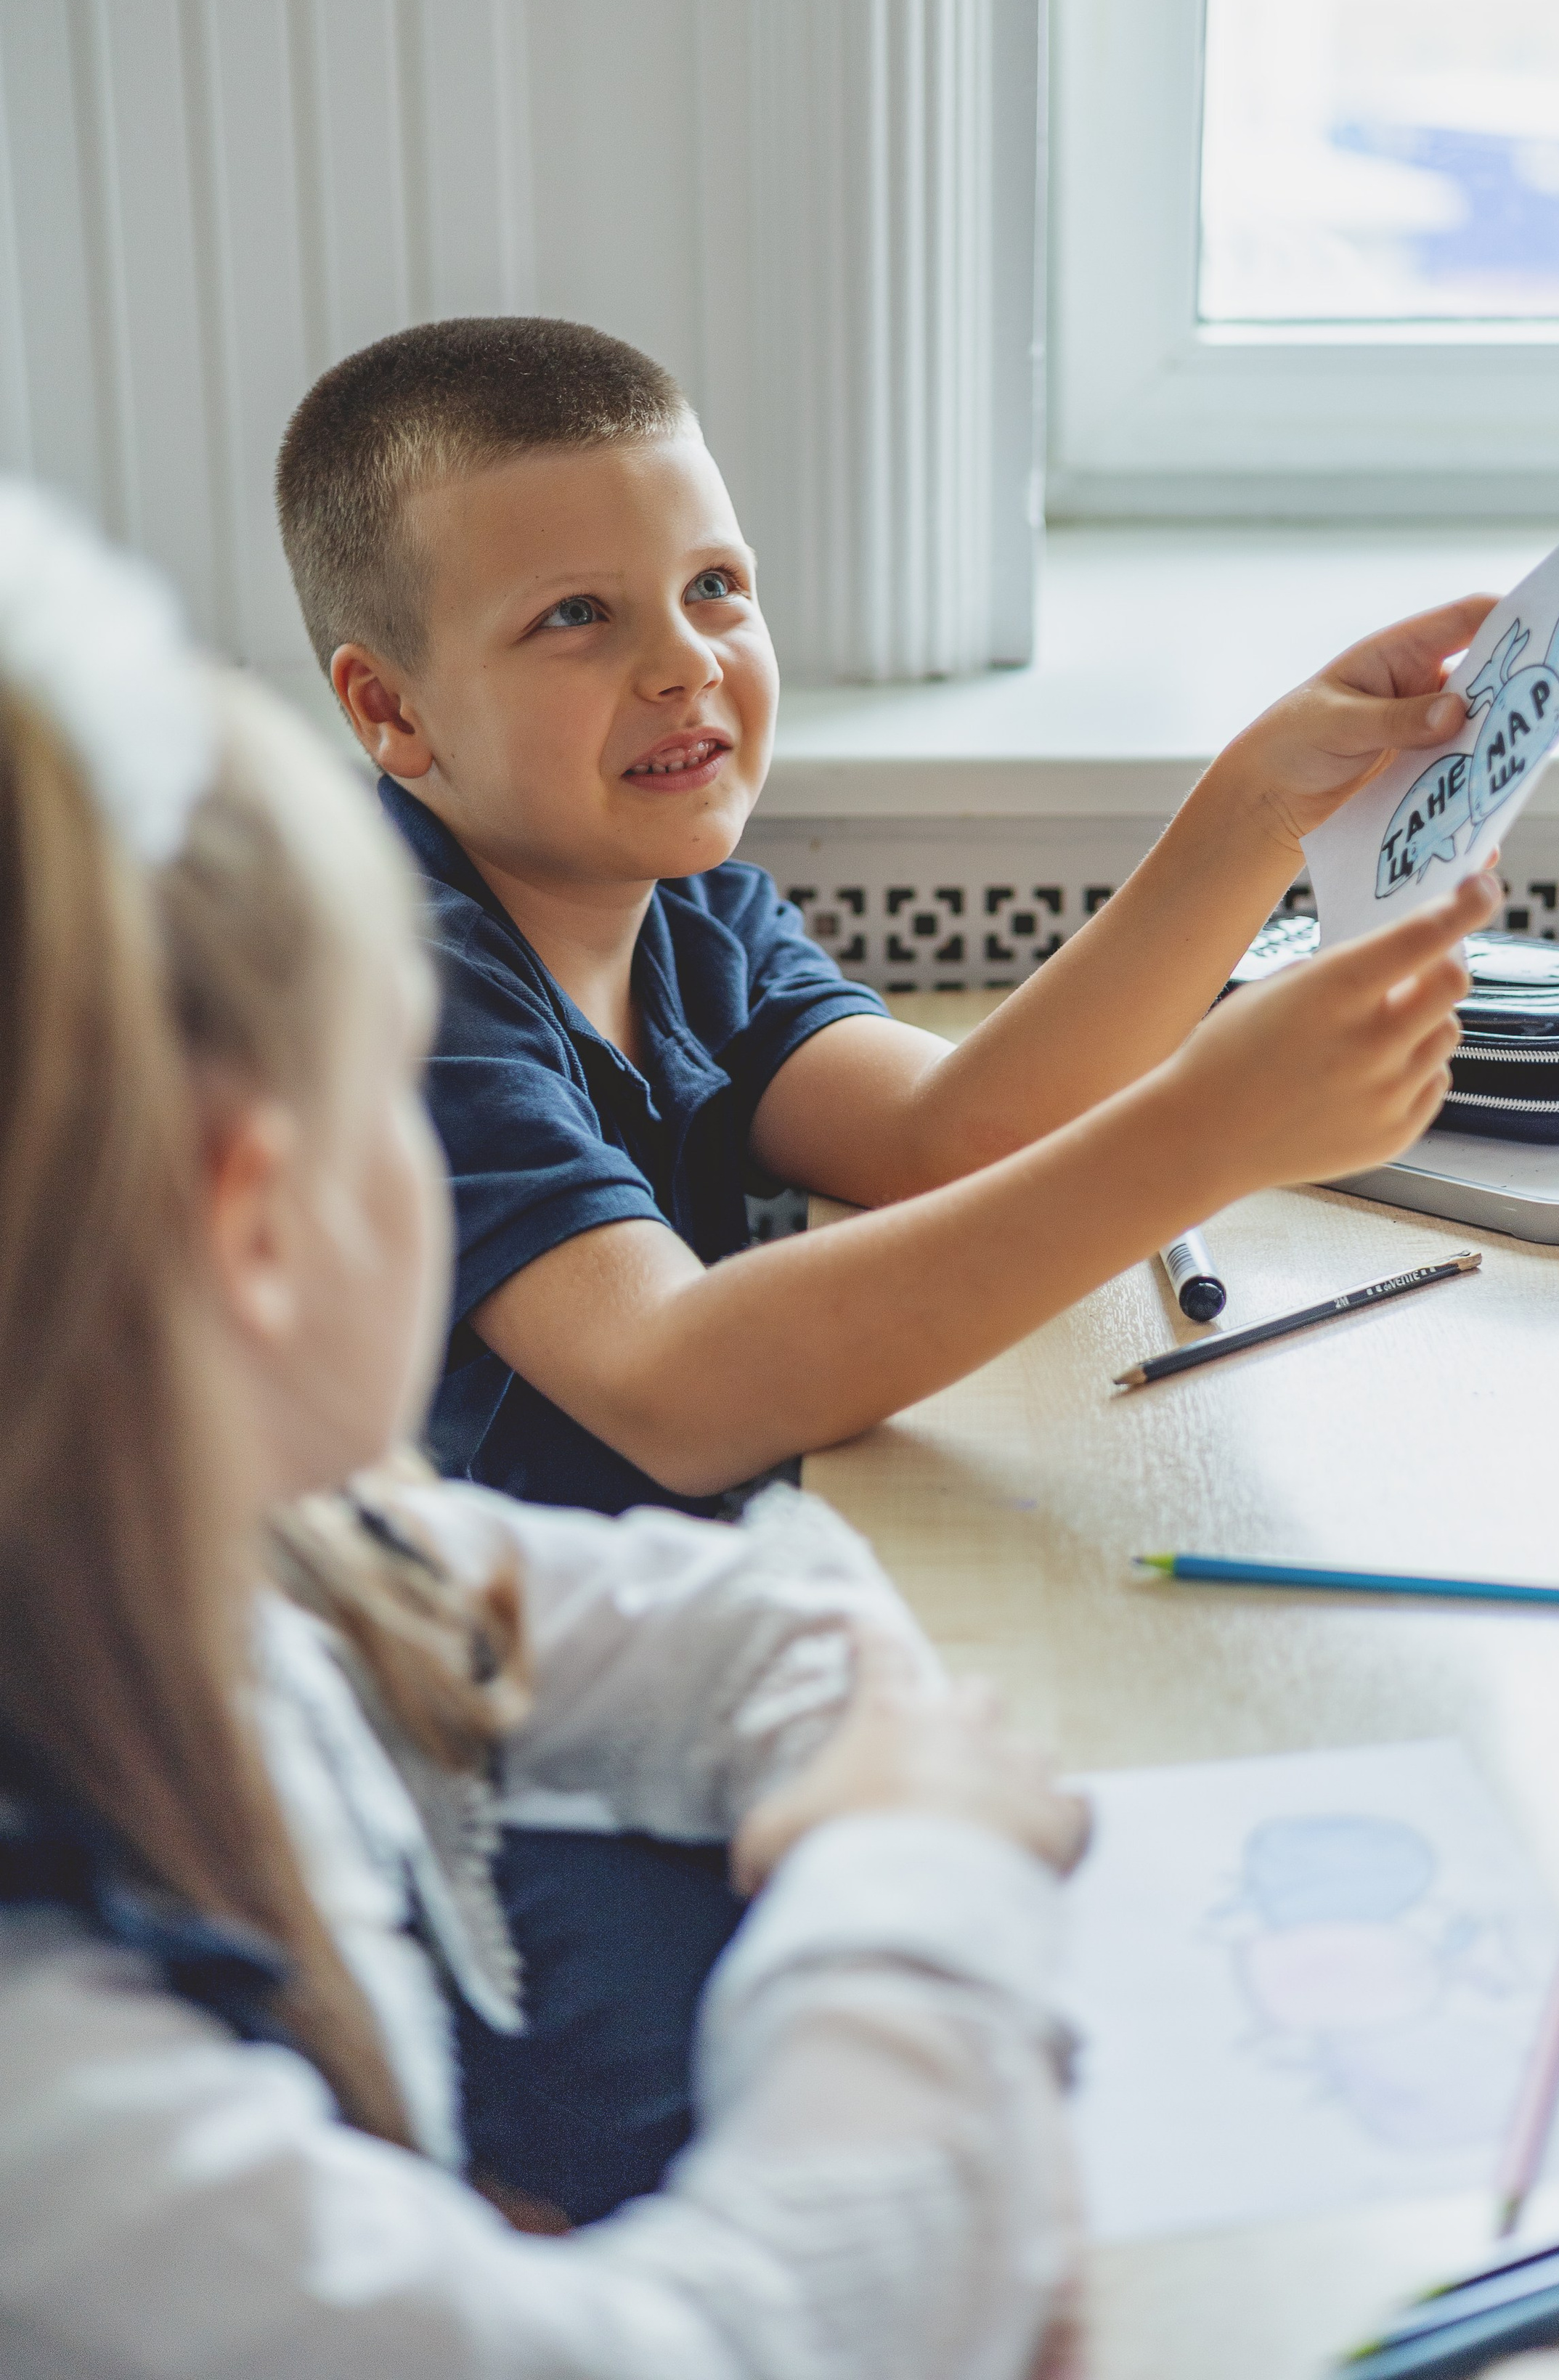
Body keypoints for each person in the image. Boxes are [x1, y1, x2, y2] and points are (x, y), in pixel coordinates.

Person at [0, 481, 1088, 2379]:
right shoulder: (57, 2080)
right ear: (264, 1212)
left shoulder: (252, 1553)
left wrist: (876, 1775)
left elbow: (757, 1618)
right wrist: (910, 1884)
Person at [277, 317, 1498, 1514]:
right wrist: (1204, 1135)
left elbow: (954, 1133)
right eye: (576, 616)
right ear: (390, 709)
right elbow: (674, 1387)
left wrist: (1260, 807)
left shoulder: (695, 915)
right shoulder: (390, 989)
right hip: (458, 1686)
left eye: (713, 586)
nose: (687, 662)